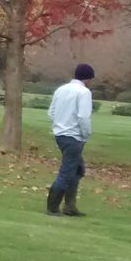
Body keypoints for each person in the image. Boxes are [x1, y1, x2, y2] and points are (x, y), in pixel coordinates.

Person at [46, 63, 94, 216]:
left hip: (60, 135)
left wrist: (58, 126)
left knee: (78, 169)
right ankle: (53, 206)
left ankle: (70, 205)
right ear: (89, 78)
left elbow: (51, 113)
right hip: (74, 136)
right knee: (66, 172)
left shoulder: (61, 89)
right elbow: (83, 117)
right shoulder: (84, 92)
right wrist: (86, 135)